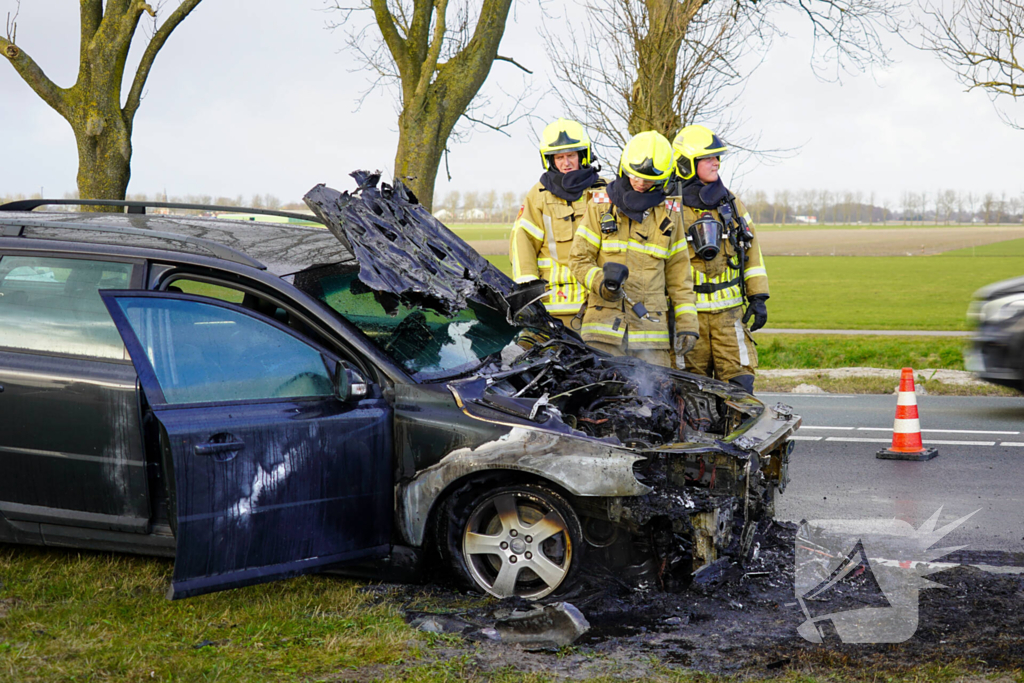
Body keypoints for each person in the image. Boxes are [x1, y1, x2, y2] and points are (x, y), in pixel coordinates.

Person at [568, 131, 697, 367]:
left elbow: (680, 276)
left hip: (651, 336)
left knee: (656, 398)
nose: (639, 183)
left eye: (648, 180)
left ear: (664, 180)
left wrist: (688, 323)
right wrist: (601, 282)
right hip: (603, 332)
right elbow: (578, 260)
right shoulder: (600, 206)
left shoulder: (670, 213)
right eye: (634, 176)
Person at [668, 124, 769, 393]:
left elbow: (752, 250)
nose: (716, 163)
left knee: (740, 383)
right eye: (708, 158)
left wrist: (758, 296)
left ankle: (740, 435)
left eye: (717, 157)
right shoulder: (669, 207)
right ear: (687, 163)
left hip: (729, 317)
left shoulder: (731, 202)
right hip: (688, 318)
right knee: (690, 388)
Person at [509, 118, 606, 327]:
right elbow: (522, 241)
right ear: (550, 160)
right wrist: (528, 294)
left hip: (599, 304)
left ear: (583, 156)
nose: (566, 162)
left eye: (571, 155)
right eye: (559, 157)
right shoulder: (539, 195)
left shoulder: (604, 191)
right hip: (554, 306)